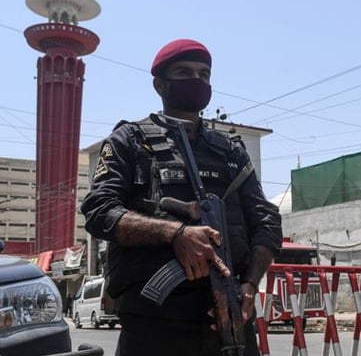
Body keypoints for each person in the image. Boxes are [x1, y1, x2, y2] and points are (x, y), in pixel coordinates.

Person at [81, 39, 283, 356]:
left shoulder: (231, 151)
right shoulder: (130, 141)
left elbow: (266, 221)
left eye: (204, 74)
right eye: (185, 72)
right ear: (159, 84)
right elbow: (98, 210)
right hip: (155, 322)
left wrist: (248, 286)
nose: (197, 80)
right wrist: (174, 234)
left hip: (228, 317)